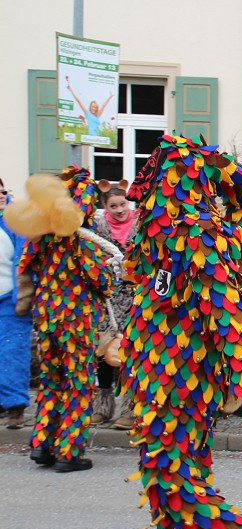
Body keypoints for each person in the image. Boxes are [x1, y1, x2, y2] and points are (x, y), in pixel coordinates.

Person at [120, 134, 242, 529]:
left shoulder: (193, 231)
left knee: (168, 475)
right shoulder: (162, 234)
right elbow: (152, 286)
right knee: (173, 477)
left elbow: (225, 303)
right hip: (157, 378)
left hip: (179, 382)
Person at [6, 168, 118, 473]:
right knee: (78, 383)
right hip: (76, 320)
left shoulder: (40, 236)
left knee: (51, 380)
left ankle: (43, 444)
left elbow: (25, 269)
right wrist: (113, 272)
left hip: (47, 317)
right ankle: (69, 452)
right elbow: (102, 281)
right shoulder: (81, 240)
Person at [90, 181, 140, 430]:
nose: (119, 210)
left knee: (129, 351)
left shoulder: (140, 223)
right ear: (105, 207)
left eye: (122, 204)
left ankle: (130, 408)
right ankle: (102, 405)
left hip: (133, 297)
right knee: (103, 351)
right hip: (107, 297)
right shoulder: (97, 228)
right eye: (113, 206)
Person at [0, 178, 32, 429]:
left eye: (2, 191)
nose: (1, 195)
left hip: (11, 301)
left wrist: (25, 296)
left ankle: (14, 406)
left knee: (12, 352)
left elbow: (25, 260)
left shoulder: (17, 222)